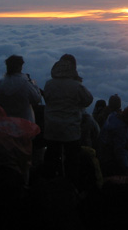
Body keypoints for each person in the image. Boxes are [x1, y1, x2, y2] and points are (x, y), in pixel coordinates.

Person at [42, 54, 93, 186]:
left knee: (51, 156)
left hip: (51, 127)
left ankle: (49, 184)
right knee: (72, 160)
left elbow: (47, 99)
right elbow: (88, 100)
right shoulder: (76, 86)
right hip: (71, 129)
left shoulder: (49, 84)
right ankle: (71, 187)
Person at [0, 55, 41, 122]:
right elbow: (36, 99)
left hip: (7, 123)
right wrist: (34, 85)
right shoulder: (25, 84)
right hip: (25, 122)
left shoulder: (0, 84)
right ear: (20, 67)